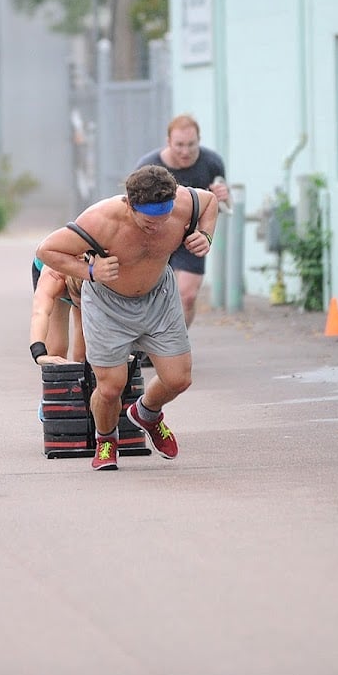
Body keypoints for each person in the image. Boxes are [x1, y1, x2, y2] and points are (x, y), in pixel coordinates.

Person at [35, 165, 218, 470]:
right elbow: (47, 250)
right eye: (148, 222)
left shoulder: (186, 204)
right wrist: (90, 271)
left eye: (164, 220)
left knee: (179, 379)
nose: (158, 228)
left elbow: (210, 202)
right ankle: (107, 439)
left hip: (159, 297)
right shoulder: (100, 220)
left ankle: (146, 413)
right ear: (130, 206)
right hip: (108, 305)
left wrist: (206, 236)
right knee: (109, 388)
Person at [133, 114, 229, 327]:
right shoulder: (148, 166)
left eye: (191, 144)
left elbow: (217, 206)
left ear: (199, 140)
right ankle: (147, 347)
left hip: (190, 236)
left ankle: (174, 347)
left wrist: (223, 198)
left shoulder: (212, 163)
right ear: (168, 142)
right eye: (179, 145)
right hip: (154, 236)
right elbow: (132, 210)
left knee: (186, 296)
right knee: (149, 297)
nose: (185, 151)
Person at [29, 258, 85, 366]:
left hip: (91, 274)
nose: (81, 307)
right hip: (52, 264)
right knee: (56, 351)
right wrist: (39, 353)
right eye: (78, 303)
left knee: (86, 354)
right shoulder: (53, 279)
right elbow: (40, 313)